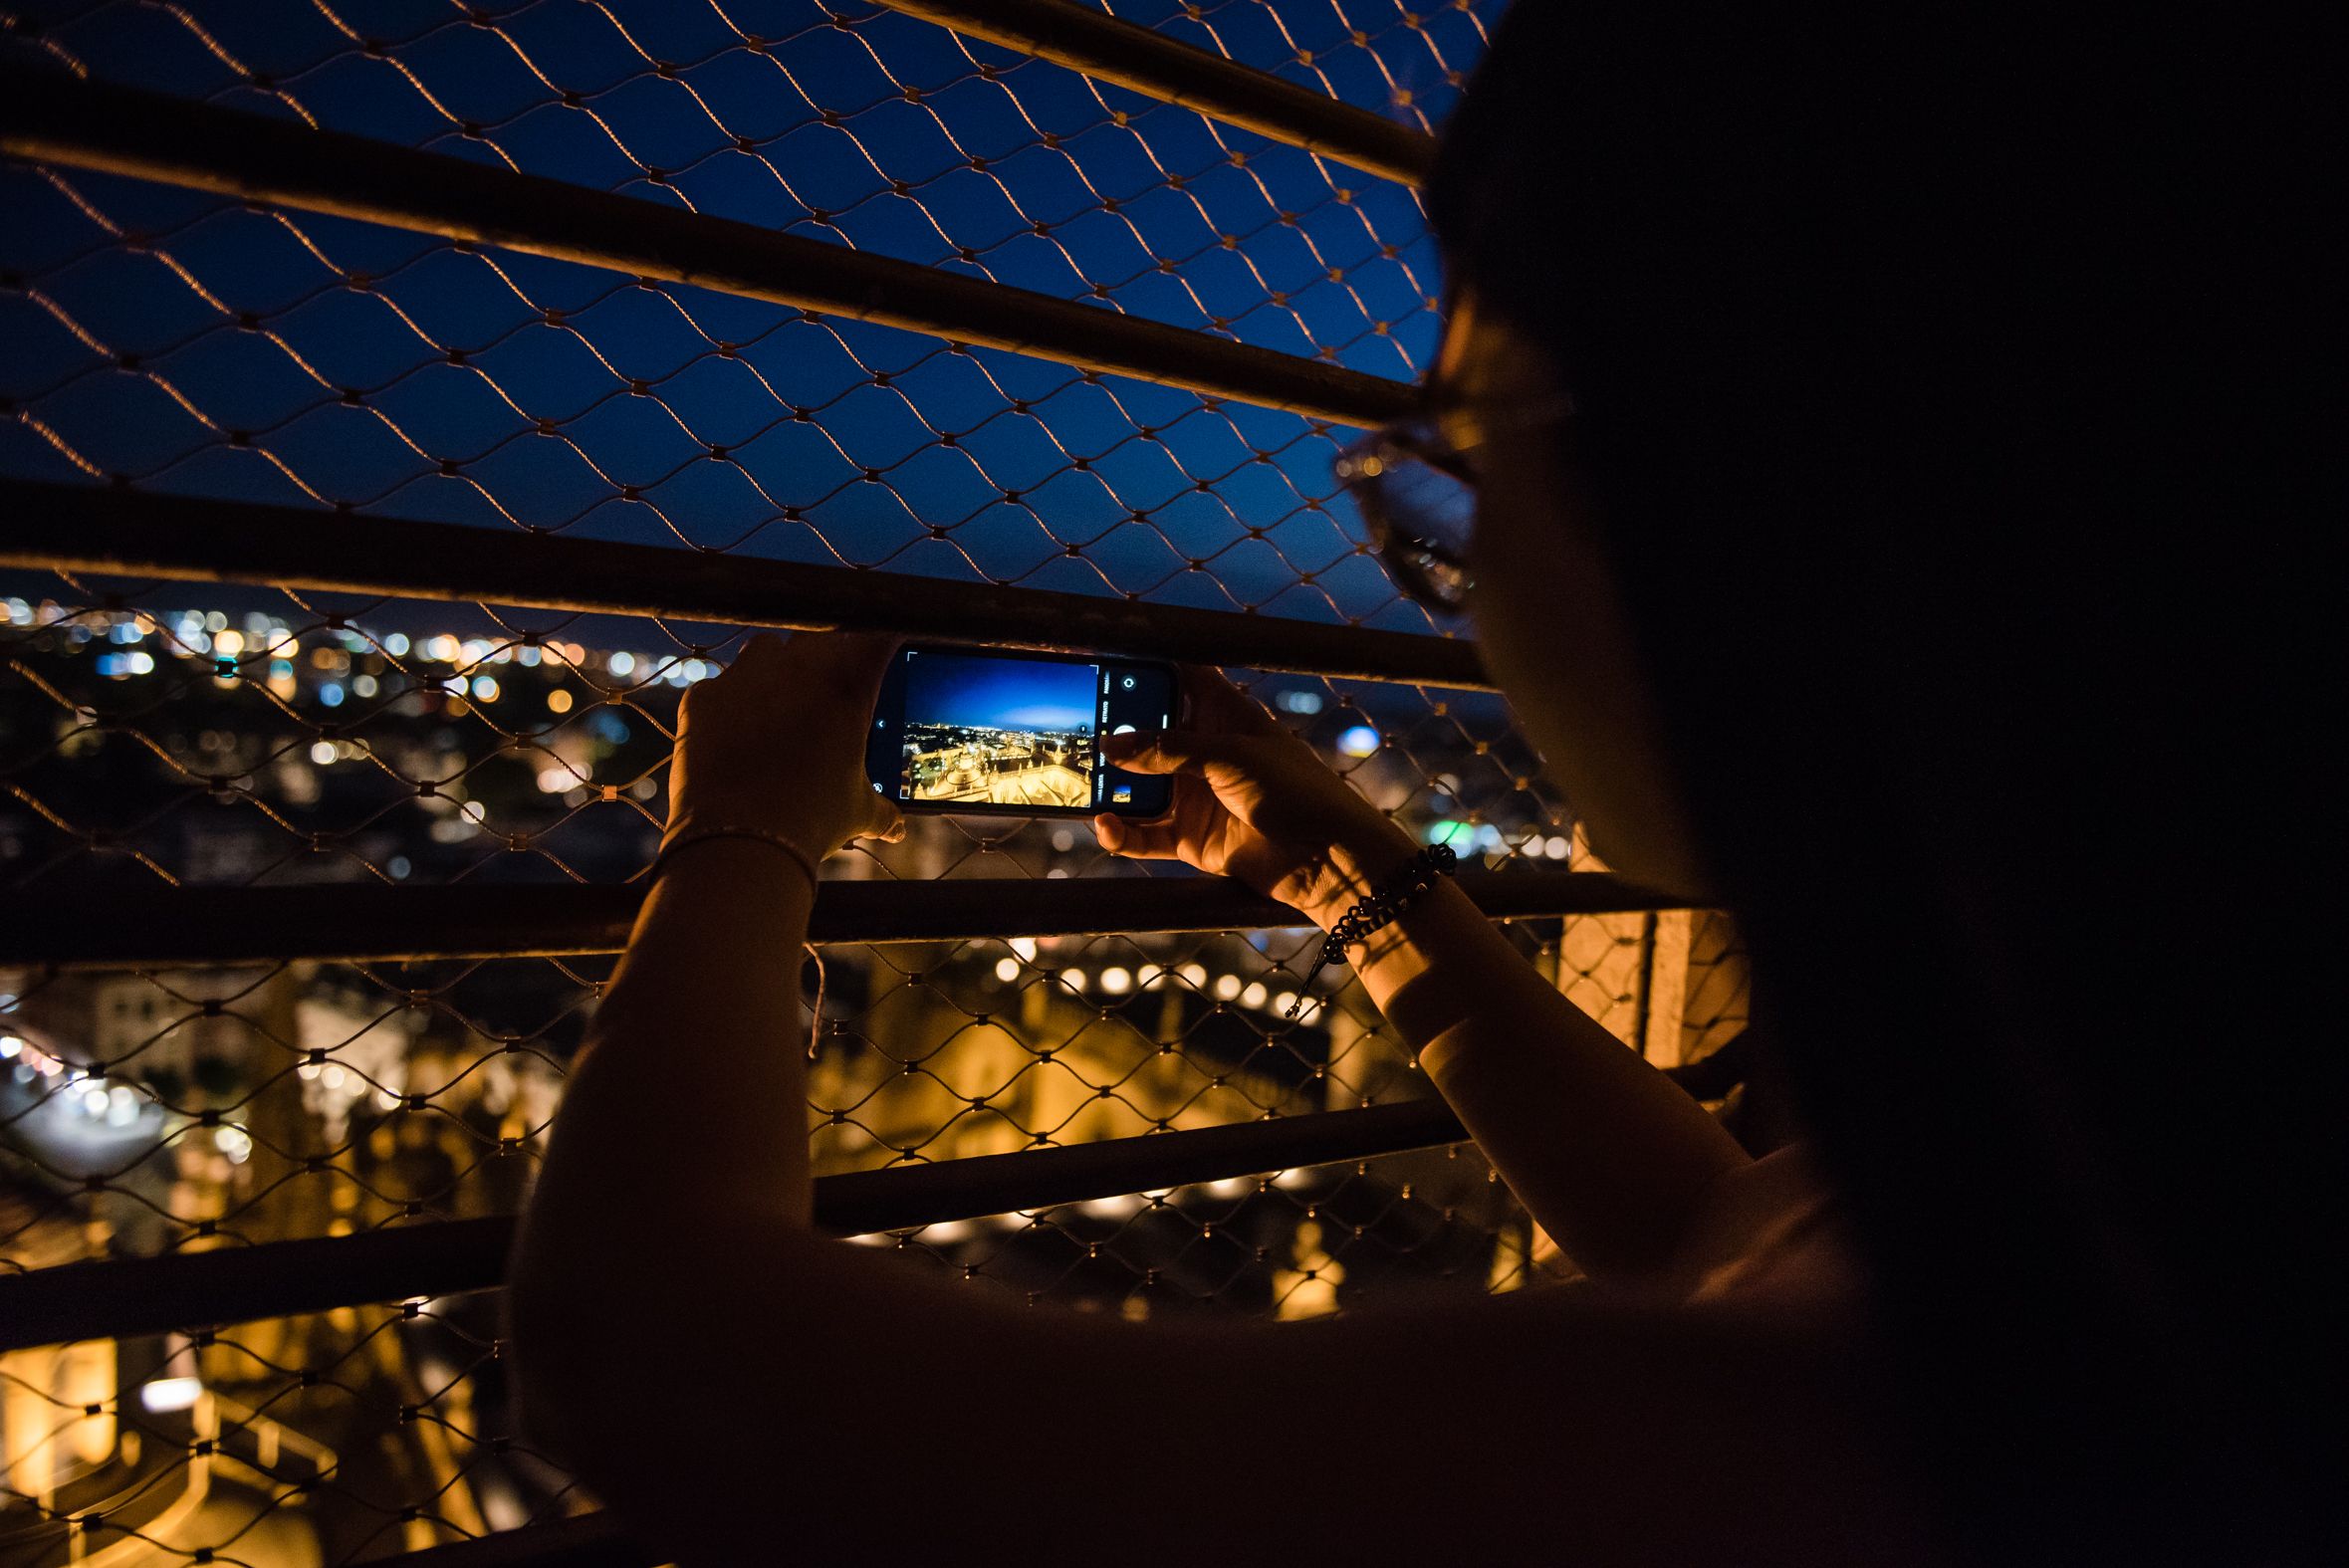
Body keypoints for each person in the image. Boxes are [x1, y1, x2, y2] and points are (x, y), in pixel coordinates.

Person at [509, 5, 2327, 1563]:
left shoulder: (1819, 1468)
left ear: (1730, 493)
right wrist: (1361, 889)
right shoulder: (2166, 1195)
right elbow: (1721, 1228)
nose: (1430, 551)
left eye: (1449, 458)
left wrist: (735, 835)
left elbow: (652, 1361)